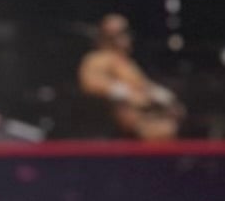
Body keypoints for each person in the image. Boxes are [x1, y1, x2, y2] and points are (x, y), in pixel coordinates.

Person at [76, 13, 185, 141]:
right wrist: (127, 94)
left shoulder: (126, 62)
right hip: (121, 116)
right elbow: (91, 83)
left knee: (171, 119)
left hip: (144, 111)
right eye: (117, 35)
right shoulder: (96, 59)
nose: (125, 38)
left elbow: (143, 84)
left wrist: (161, 95)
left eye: (126, 33)